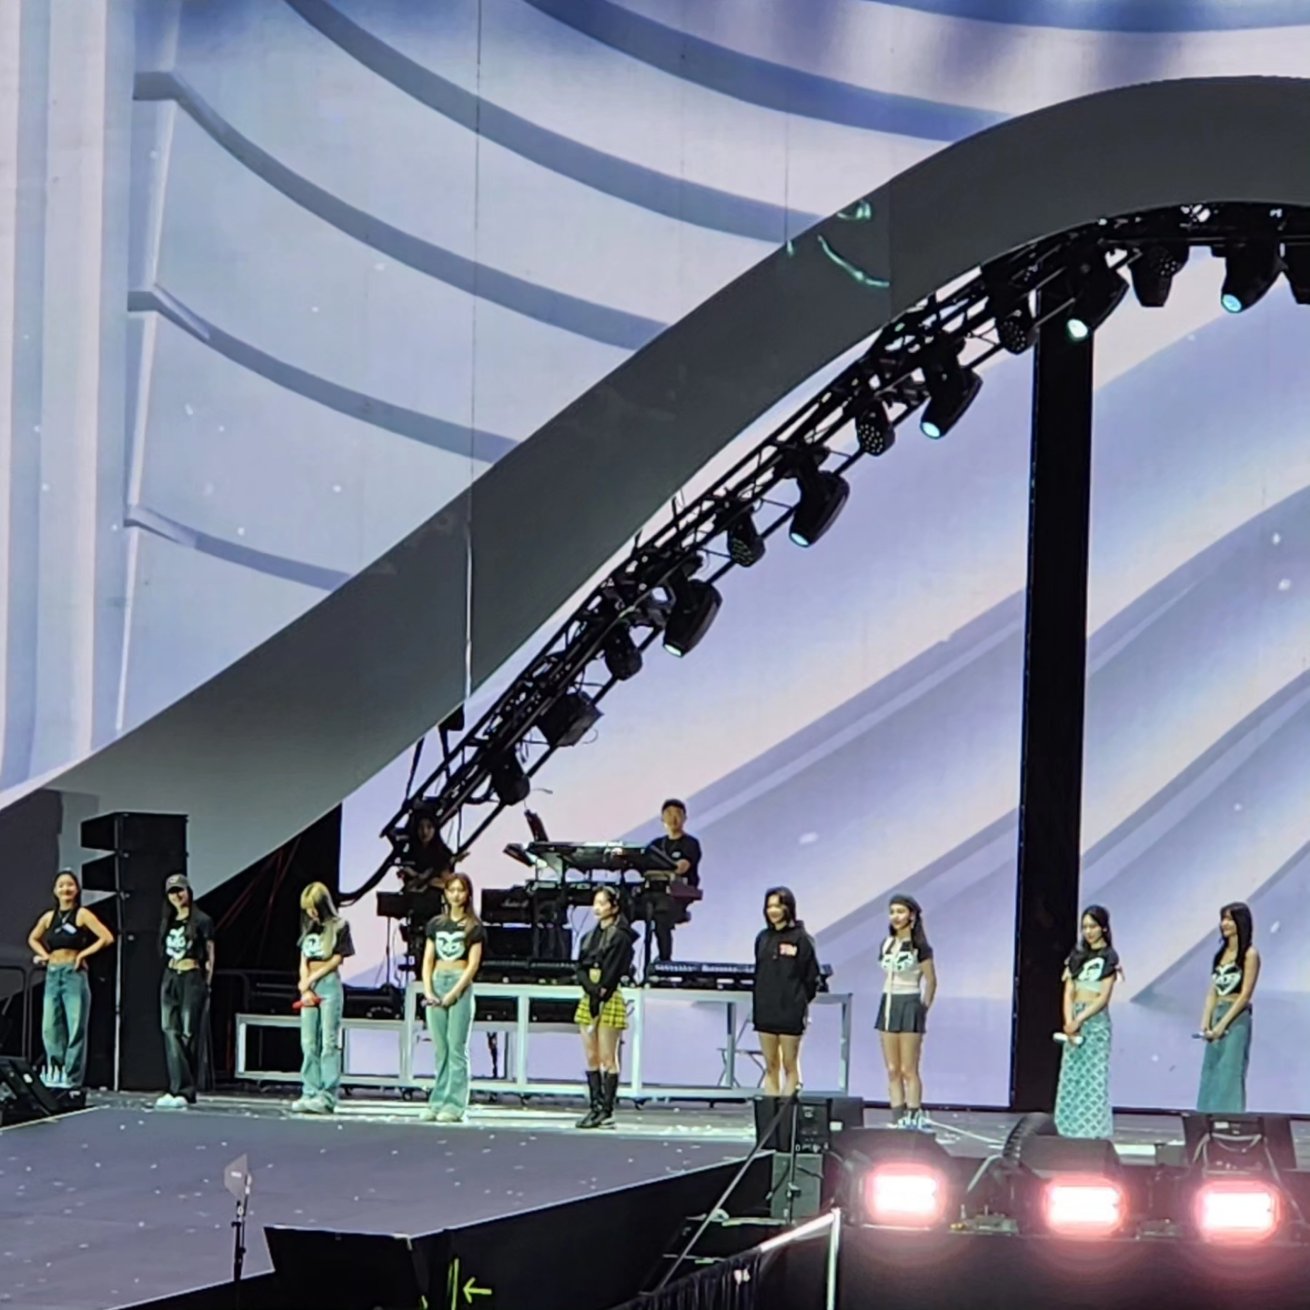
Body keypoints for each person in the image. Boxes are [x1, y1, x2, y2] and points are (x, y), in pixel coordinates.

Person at [27, 870, 115, 1090]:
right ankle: (55, 1071)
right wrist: (45, 956)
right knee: (50, 1027)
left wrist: (83, 954)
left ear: (77, 890)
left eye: (69, 885)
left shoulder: (82, 914)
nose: (65, 889)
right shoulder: (49, 917)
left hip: (73, 974)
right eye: (61, 885)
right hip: (53, 973)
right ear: (55, 891)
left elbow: (106, 937)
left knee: (75, 1026)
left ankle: (71, 1076)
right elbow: (33, 938)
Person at [421, 872, 485, 1124]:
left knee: (456, 1048)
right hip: (437, 981)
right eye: (452, 890)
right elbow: (428, 960)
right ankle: (437, 1101)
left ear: (467, 894)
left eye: (460, 890)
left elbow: (472, 965)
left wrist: (454, 992)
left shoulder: (473, 927)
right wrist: (428, 990)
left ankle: (455, 1104)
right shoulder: (436, 924)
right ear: (445, 893)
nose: (456, 895)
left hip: (459, 983)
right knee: (441, 1049)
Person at [574, 887, 637, 1130]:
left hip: (607, 996)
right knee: (591, 1055)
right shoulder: (589, 937)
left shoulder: (621, 937)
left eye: (602, 903)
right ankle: (595, 1106)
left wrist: (600, 992)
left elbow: (613, 972)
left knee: (608, 1056)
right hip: (589, 993)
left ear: (614, 906)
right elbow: (579, 966)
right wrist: (590, 988)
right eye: (595, 903)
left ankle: (607, 1110)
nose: (597, 908)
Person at [1054, 905, 1119, 1139]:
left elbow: (1103, 997)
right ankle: (1067, 1128)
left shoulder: (1109, 957)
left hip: (1095, 1020)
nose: (1088, 932)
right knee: (1072, 1075)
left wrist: (1081, 1019)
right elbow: (1068, 992)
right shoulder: (1076, 956)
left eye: (1093, 926)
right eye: (1085, 927)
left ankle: (1092, 1131)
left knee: (1094, 1077)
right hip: (1075, 1019)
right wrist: (1069, 1021)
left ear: (1103, 928)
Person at [874, 894, 936, 1130]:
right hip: (888, 1002)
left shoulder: (920, 947)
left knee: (908, 1069)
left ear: (912, 915)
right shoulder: (887, 943)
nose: (895, 916)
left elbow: (931, 981)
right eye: (892, 912)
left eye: (900, 911)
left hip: (909, 1001)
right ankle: (897, 1117)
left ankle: (913, 1116)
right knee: (892, 1069)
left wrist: (923, 1008)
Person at [752, 887, 822, 1096]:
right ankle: (771, 1112)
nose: (773, 911)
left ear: (788, 908)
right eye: (769, 906)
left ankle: (787, 1112)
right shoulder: (763, 938)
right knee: (770, 1065)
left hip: (790, 1010)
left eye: (778, 906)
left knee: (789, 1064)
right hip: (766, 1009)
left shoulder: (801, 939)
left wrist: (798, 1000)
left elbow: (811, 978)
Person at [293, 882, 355, 1115]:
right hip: (309, 986)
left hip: (328, 985)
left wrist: (312, 979)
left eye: (313, 907)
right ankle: (309, 1090)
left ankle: (327, 1095)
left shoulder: (340, 926)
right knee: (309, 1042)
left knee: (328, 1042)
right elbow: (303, 959)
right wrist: (304, 985)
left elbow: (336, 959)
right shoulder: (309, 927)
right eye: (307, 908)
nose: (310, 912)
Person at [155, 873, 216, 1109]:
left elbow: (210, 954)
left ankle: (186, 1090)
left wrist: (207, 983)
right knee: (170, 1030)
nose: (177, 896)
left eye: (180, 890)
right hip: (171, 975)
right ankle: (176, 1087)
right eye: (172, 892)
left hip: (192, 976)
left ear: (188, 891)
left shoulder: (201, 920)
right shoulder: (168, 920)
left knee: (189, 1032)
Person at [1197, 902, 1259, 1114]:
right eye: (1223, 919)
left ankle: (1230, 1118)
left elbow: (1245, 995)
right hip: (1218, 1013)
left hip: (1236, 1018)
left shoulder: (1250, 955)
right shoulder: (1220, 955)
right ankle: (1207, 1117)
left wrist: (1223, 1025)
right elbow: (1213, 991)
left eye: (1230, 919)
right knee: (1211, 1070)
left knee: (1229, 1071)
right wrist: (1206, 1022)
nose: (1224, 924)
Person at [644, 799, 702, 963]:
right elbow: (645, 868)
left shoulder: (691, 843)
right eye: (669, 814)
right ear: (662, 818)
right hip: (654, 891)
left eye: (677, 814)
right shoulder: (655, 845)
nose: (673, 818)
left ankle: (665, 960)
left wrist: (661, 870)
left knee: (661, 915)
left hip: (678, 894)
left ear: (684, 818)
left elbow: (681, 867)